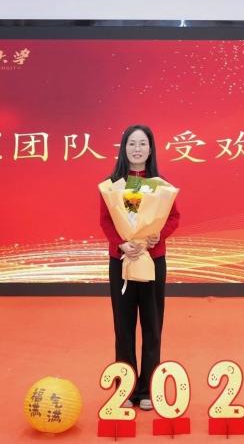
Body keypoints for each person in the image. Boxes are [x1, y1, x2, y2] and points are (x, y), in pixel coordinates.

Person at [99, 124, 180, 411]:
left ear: (150, 149)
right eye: (132, 143)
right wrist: (121, 244)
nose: (137, 149)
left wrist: (157, 235)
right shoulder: (113, 184)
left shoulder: (160, 184)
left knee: (152, 326)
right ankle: (126, 388)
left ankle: (147, 389)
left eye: (142, 143)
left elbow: (173, 218)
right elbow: (106, 220)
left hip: (152, 261)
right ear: (124, 148)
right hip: (122, 262)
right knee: (123, 328)